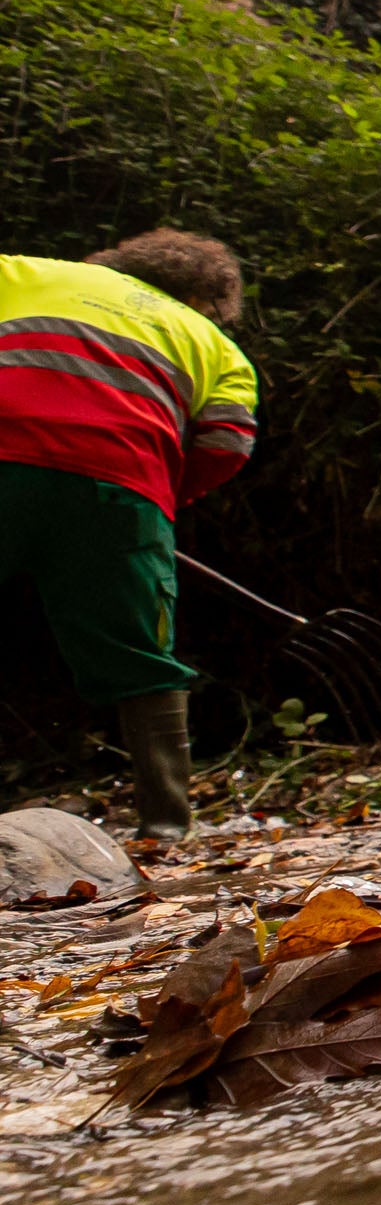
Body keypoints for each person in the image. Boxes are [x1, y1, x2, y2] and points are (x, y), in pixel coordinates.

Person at [0, 230, 260, 838]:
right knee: (143, 655)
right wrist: (157, 500)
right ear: (210, 301)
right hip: (121, 488)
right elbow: (227, 440)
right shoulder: (217, 347)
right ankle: (166, 825)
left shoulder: (23, 273)